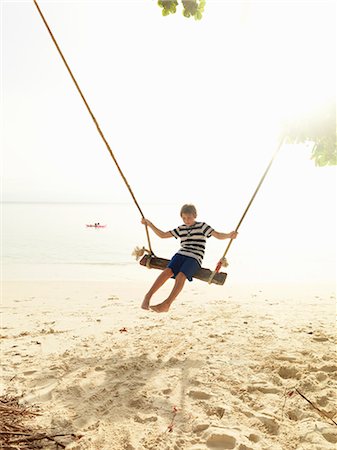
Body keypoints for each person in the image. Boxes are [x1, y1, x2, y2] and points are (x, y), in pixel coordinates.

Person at [141, 204, 238, 313]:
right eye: (184, 218)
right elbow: (162, 235)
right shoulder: (181, 228)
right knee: (167, 271)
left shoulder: (202, 226)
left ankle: (166, 304)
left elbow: (218, 235)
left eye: (189, 218)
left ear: (195, 215)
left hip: (195, 257)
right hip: (181, 254)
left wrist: (229, 235)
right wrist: (149, 224)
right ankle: (148, 296)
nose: (186, 221)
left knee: (181, 276)